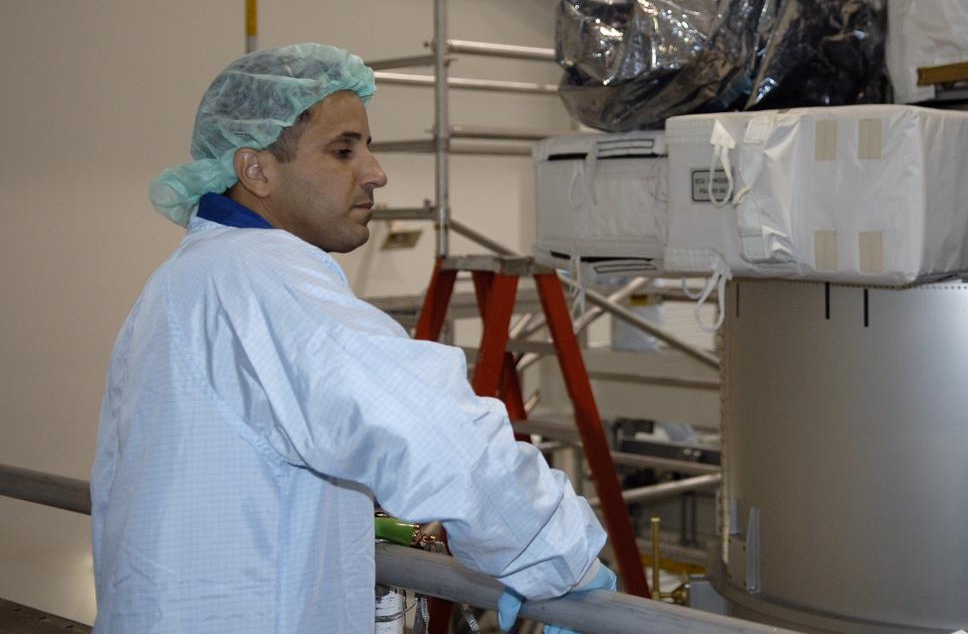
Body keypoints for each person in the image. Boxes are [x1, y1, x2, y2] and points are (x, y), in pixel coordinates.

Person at [91, 44, 613, 633]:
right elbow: (437, 434)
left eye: (367, 147)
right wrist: (560, 558)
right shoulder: (263, 281)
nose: (376, 172)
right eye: (343, 151)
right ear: (255, 170)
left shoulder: (191, 278)